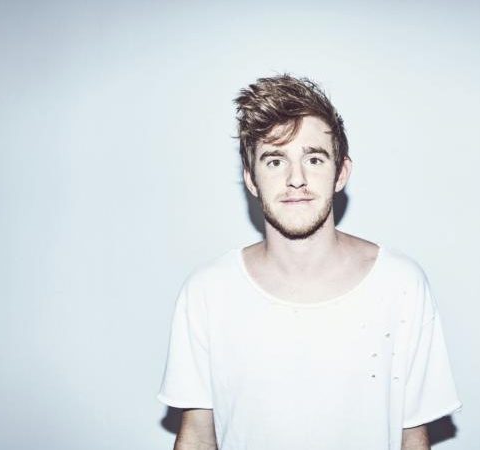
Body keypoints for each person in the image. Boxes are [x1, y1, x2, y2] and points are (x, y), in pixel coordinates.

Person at [157, 74, 462, 450]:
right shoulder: (208, 291)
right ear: (251, 179)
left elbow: (412, 437)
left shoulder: (400, 285)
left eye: (314, 159)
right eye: (275, 161)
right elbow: (198, 436)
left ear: (341, 173)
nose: (296, 179)